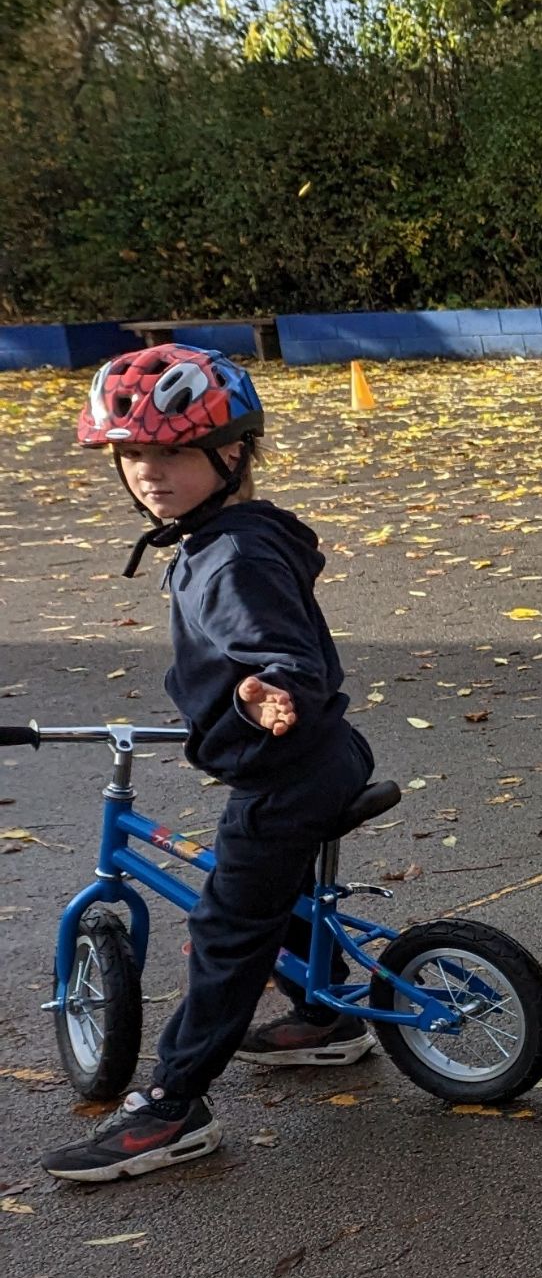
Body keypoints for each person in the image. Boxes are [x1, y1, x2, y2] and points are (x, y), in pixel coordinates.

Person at [46, 345, 381, 1182]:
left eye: (170, 451)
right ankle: (323, 1017)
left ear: (231, 454)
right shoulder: (224, 537)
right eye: (131, 454)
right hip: (315, 755)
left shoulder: (229, 556)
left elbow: (275, 647)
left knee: (227, 929)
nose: (147, 472)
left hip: (287, 763)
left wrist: (267, 692)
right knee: (283, 891)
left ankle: (173, 1105)